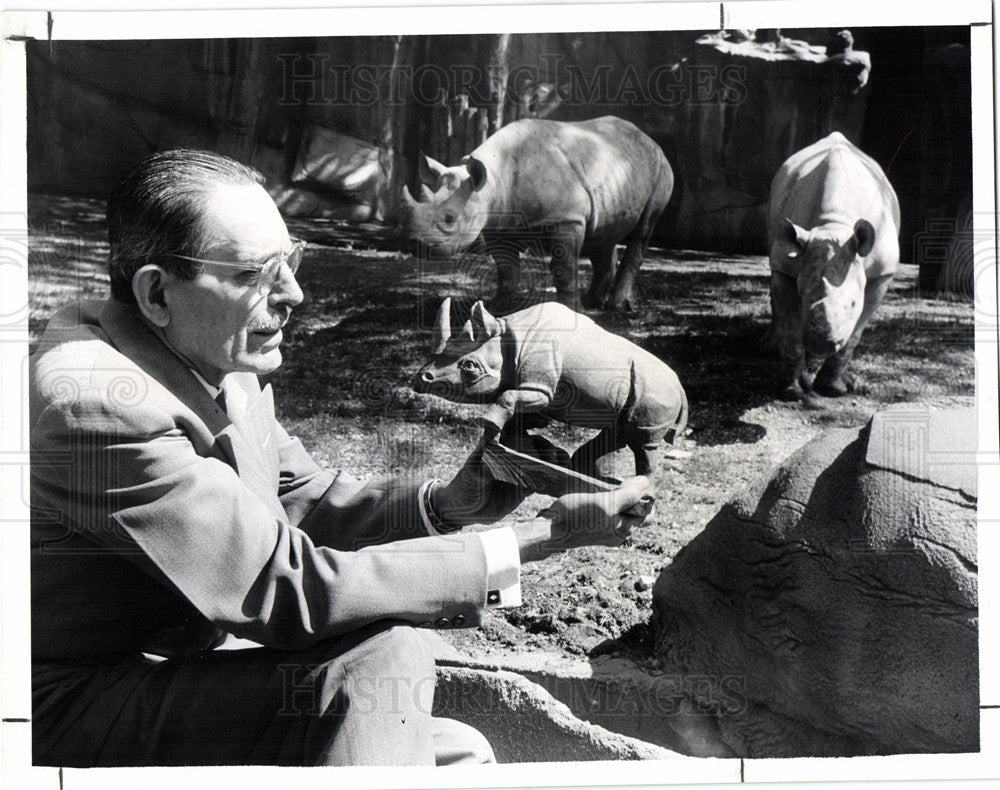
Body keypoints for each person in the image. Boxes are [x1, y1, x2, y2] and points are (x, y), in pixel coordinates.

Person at [29, 149, 652, 767]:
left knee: (453, 741)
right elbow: (287, 589)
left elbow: (304, 498)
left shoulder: (203, 351)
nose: (293, 293)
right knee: (384, 658)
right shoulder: (101, 408)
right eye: (253, 275)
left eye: (290, 262)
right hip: (66, 710)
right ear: (157, 293)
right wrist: (543, 537)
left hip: (159, 671)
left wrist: (447, 506)